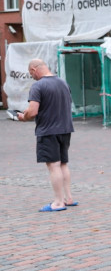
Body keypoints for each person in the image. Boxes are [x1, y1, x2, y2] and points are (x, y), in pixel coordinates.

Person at [17, 59, 77, 212]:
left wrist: (24, 117)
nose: (32, 76)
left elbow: (33, 111)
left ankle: (58, 202)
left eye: (31, 73)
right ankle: (68, 198)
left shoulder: (38, 86)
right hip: (65, 129)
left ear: (34, 69)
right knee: (63, 163)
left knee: (53, 165)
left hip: (48, 130)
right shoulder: (63, 83)